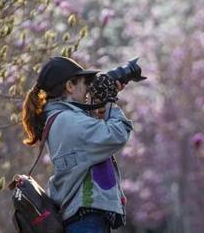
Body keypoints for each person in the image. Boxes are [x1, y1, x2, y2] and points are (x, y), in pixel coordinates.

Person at [21, 56, 133, 233]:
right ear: (70, 86)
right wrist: (110, 101)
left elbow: (92, 140)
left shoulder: (65, 119)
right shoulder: (69, 121)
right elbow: (117, 134)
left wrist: (101, 105)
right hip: (85, 220)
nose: (89, 88)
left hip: (83, 218)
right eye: (84, 82)